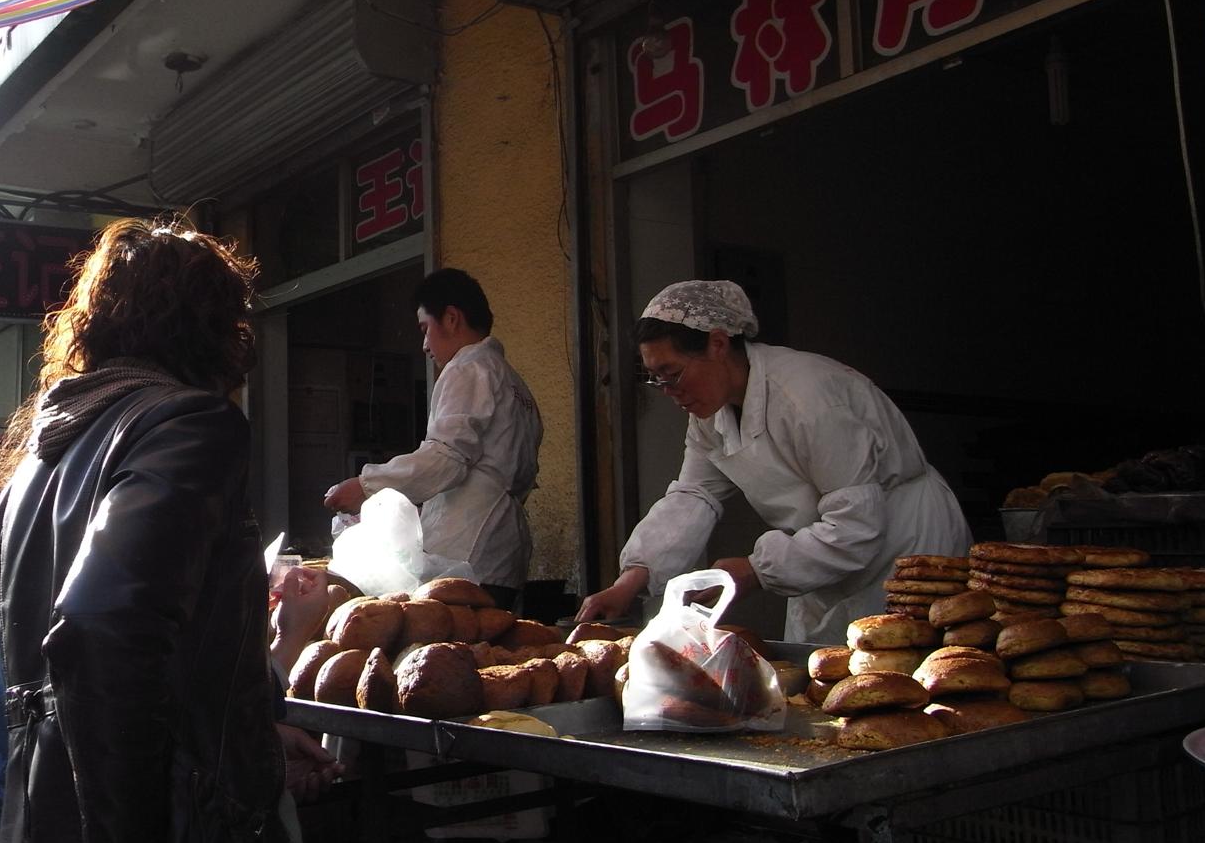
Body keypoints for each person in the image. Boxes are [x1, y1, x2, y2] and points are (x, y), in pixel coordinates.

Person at [0, 216, 338, 843]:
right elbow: (103, 629)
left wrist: (252, 731)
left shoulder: (45, 452)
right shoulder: (188, 424)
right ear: (216, 327)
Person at [578, 280, 970, 644]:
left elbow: (856, 524)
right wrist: (631, 580)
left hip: (902, 547)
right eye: (655, 379)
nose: (668, 391)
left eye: (672, 374)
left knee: (907, 672)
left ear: (718, 344)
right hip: (820, 555)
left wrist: (754, 570)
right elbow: (694, 495)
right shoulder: (710, 416)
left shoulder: (808, 398)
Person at [324, 268, 543, 610]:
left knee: (453, 641)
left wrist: (367, 485)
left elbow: (445, 459)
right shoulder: (516, 385)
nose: (425, 345)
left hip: (469, 546)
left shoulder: (467, 367)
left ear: (452, 319)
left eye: (425, 329)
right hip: (503, 546)